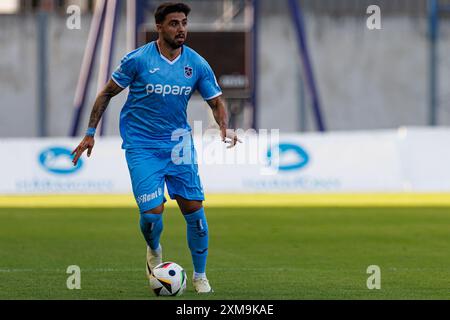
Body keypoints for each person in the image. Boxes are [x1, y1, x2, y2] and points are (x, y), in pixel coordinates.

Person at [71, 2, 240, 294]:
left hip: (178, 144)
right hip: (142, 146)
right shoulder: (137, 60)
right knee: (151, 215)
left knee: (195, 212)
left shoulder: (196, 64)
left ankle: (200, 276)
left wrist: (224, 126)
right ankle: (154, 249)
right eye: (174, 23)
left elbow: (216, 101)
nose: (181, 29)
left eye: (184, 23)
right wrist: (89, 133)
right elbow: (107, 93)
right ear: (159, 27)